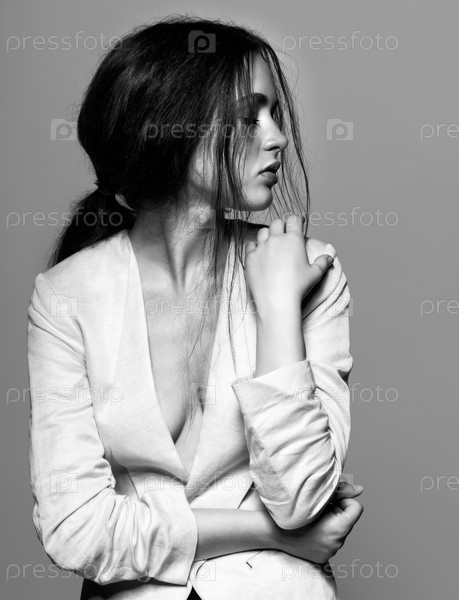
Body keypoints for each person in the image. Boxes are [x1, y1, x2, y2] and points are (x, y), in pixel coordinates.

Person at [27, 15, 363, 600]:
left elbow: (302, 497)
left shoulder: (310, 271)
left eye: (275, 114)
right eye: (249, 117)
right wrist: (269, 534)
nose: (278, 138)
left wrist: (278, 308)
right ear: (168, 130)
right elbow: (75, 529)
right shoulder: (66, 297)